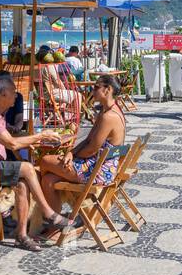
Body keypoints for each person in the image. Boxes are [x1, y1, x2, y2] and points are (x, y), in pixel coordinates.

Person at [0, 74, 68, 251]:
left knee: (22, 184)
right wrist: (41, 135)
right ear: (2, 93)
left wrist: (35, 140)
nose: (16, 96)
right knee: (28, 168)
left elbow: (11, 140)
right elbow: (12, 143)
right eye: (13, 92)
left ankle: (22, 235)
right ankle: (48, 213)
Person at [39, 75, 128, 235]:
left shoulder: (108, 117)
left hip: (96, 172)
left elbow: (92, 149)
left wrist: (73, 157)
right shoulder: (109, 111)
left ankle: (47, 212)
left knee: (44, 161)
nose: (91, 90)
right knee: (48, 180)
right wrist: (71, 153)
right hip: (99, 166)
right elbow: (88, 139)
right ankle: (55, 224)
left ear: (107, 90)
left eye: (96, 87)